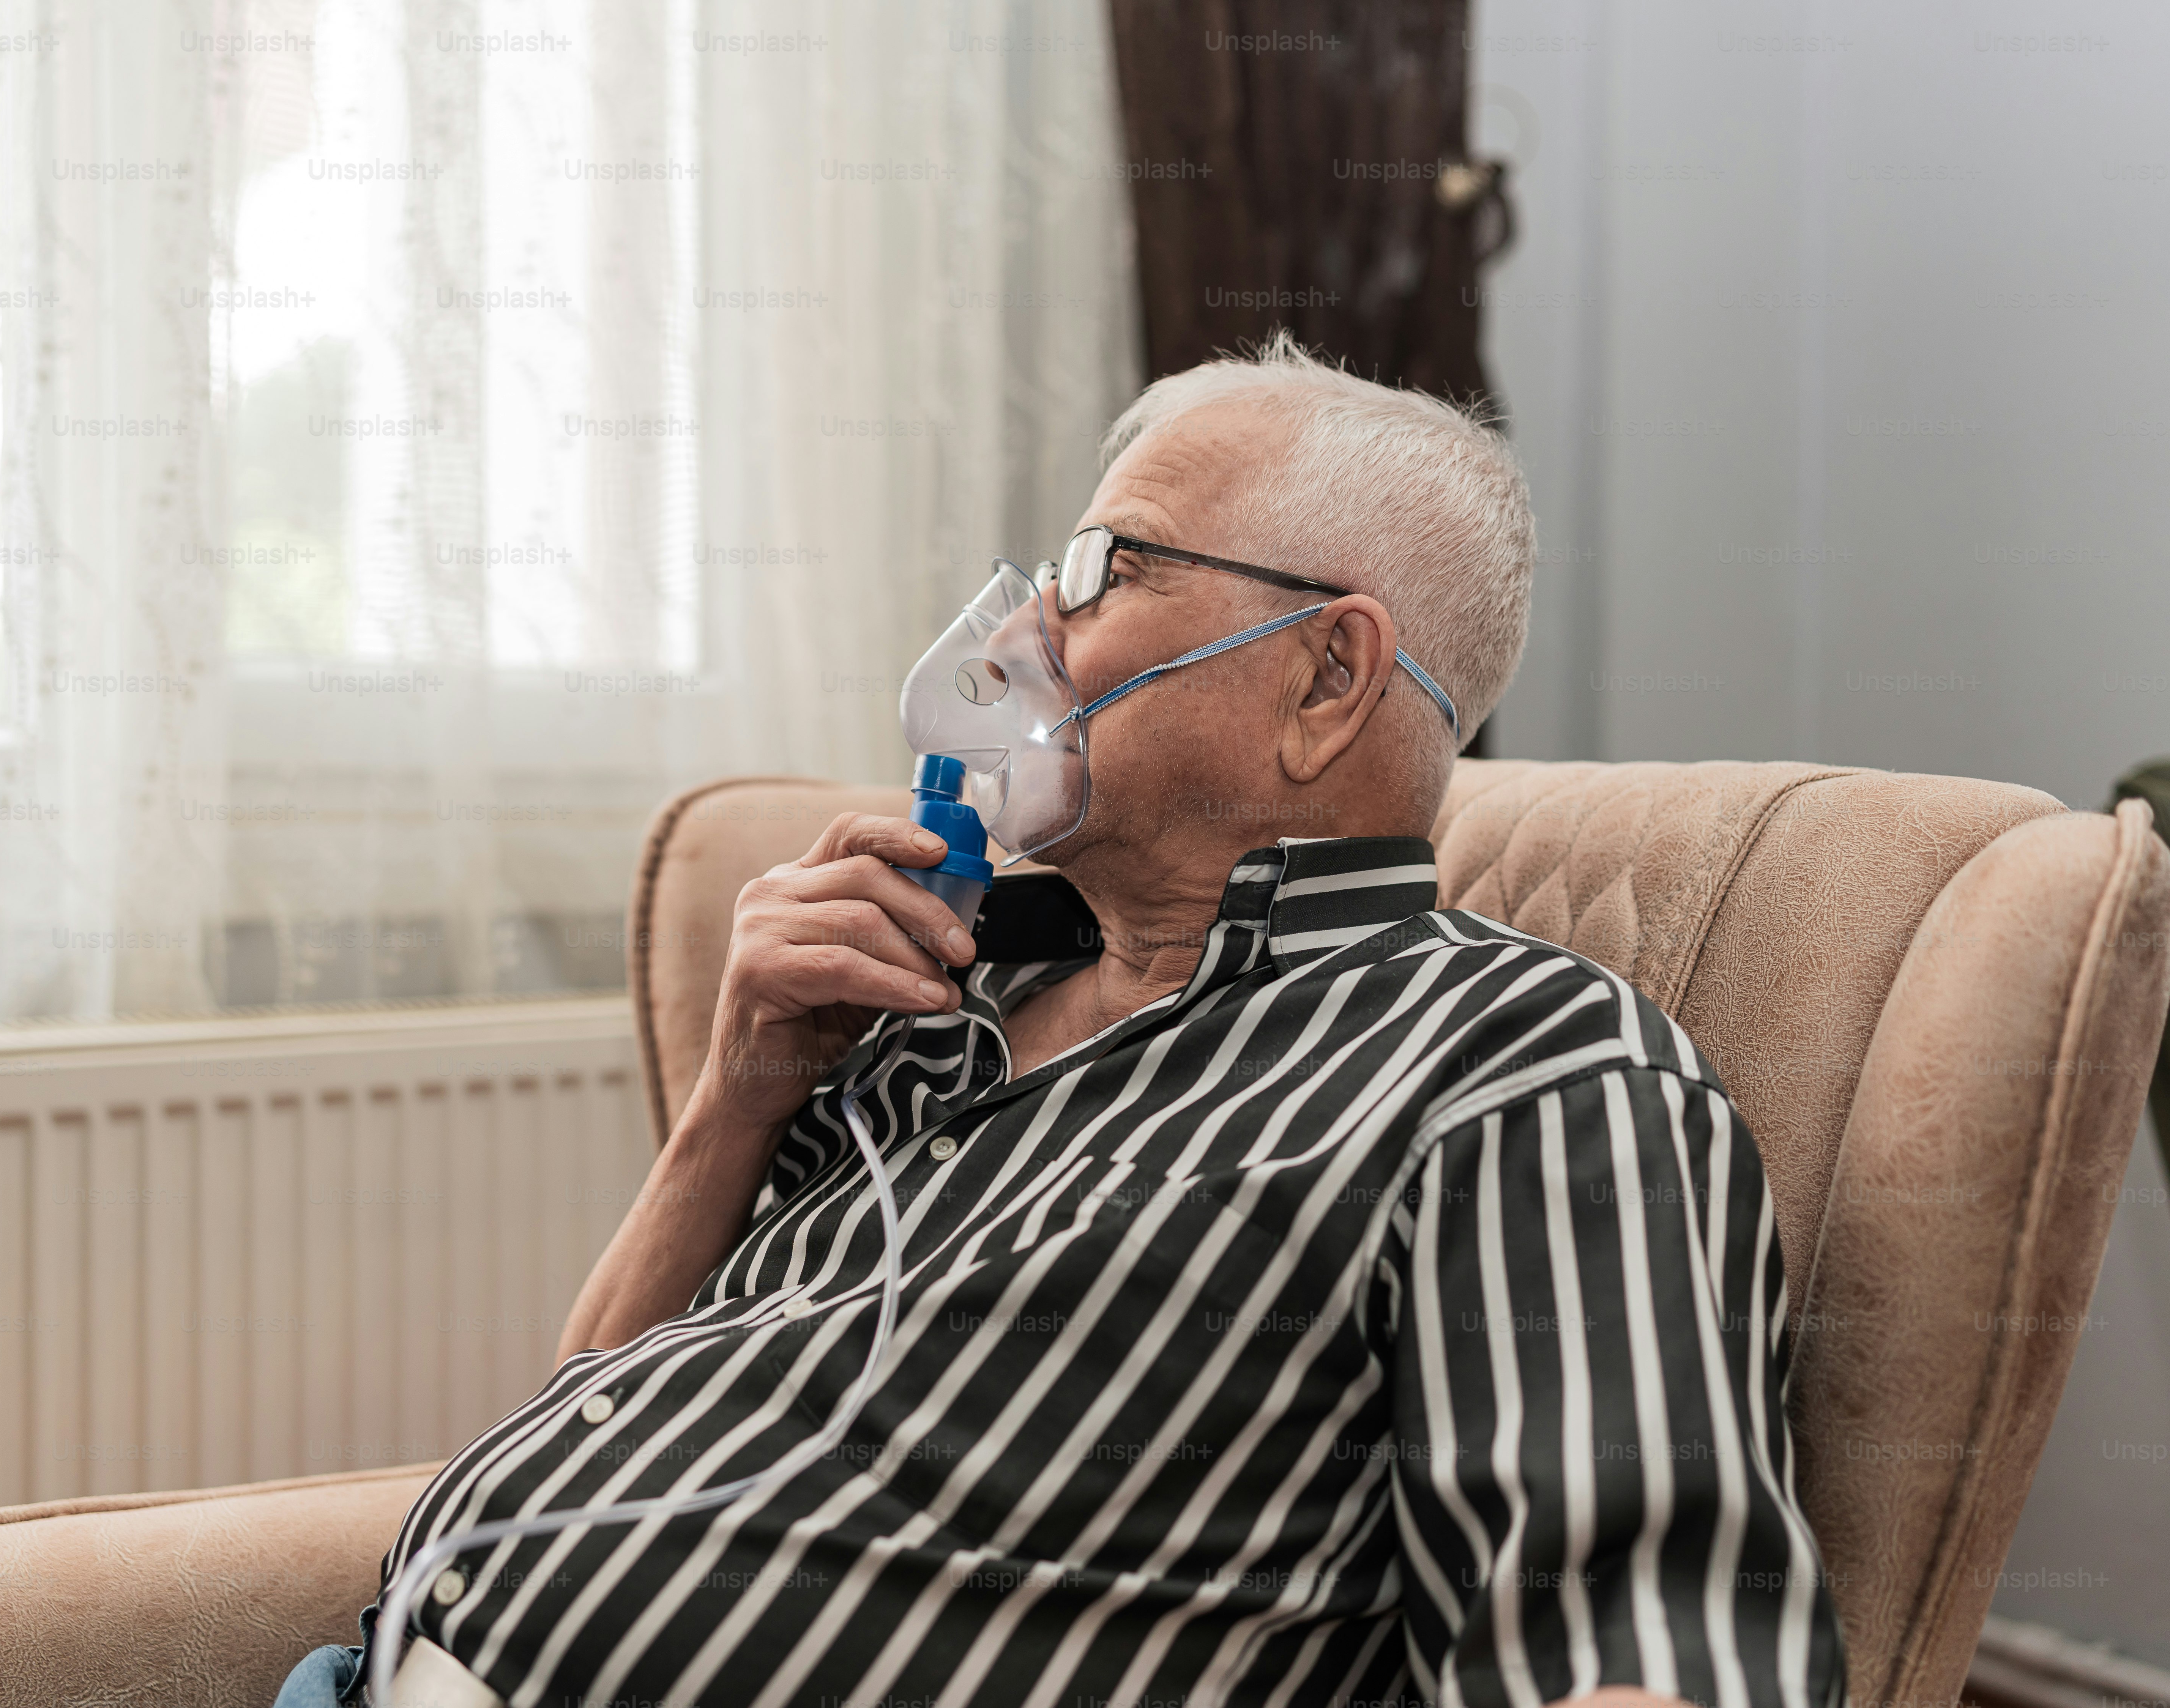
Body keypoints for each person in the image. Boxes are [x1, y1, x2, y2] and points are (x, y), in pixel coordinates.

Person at [278, 334, 1847, 1708]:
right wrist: (733, 1104)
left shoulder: (1516, 1072)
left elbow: (1640, 1638)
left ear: (1325, 675)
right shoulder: (929, 991)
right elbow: (603, 1414)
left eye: (1105, 571)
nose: (1021, 635)